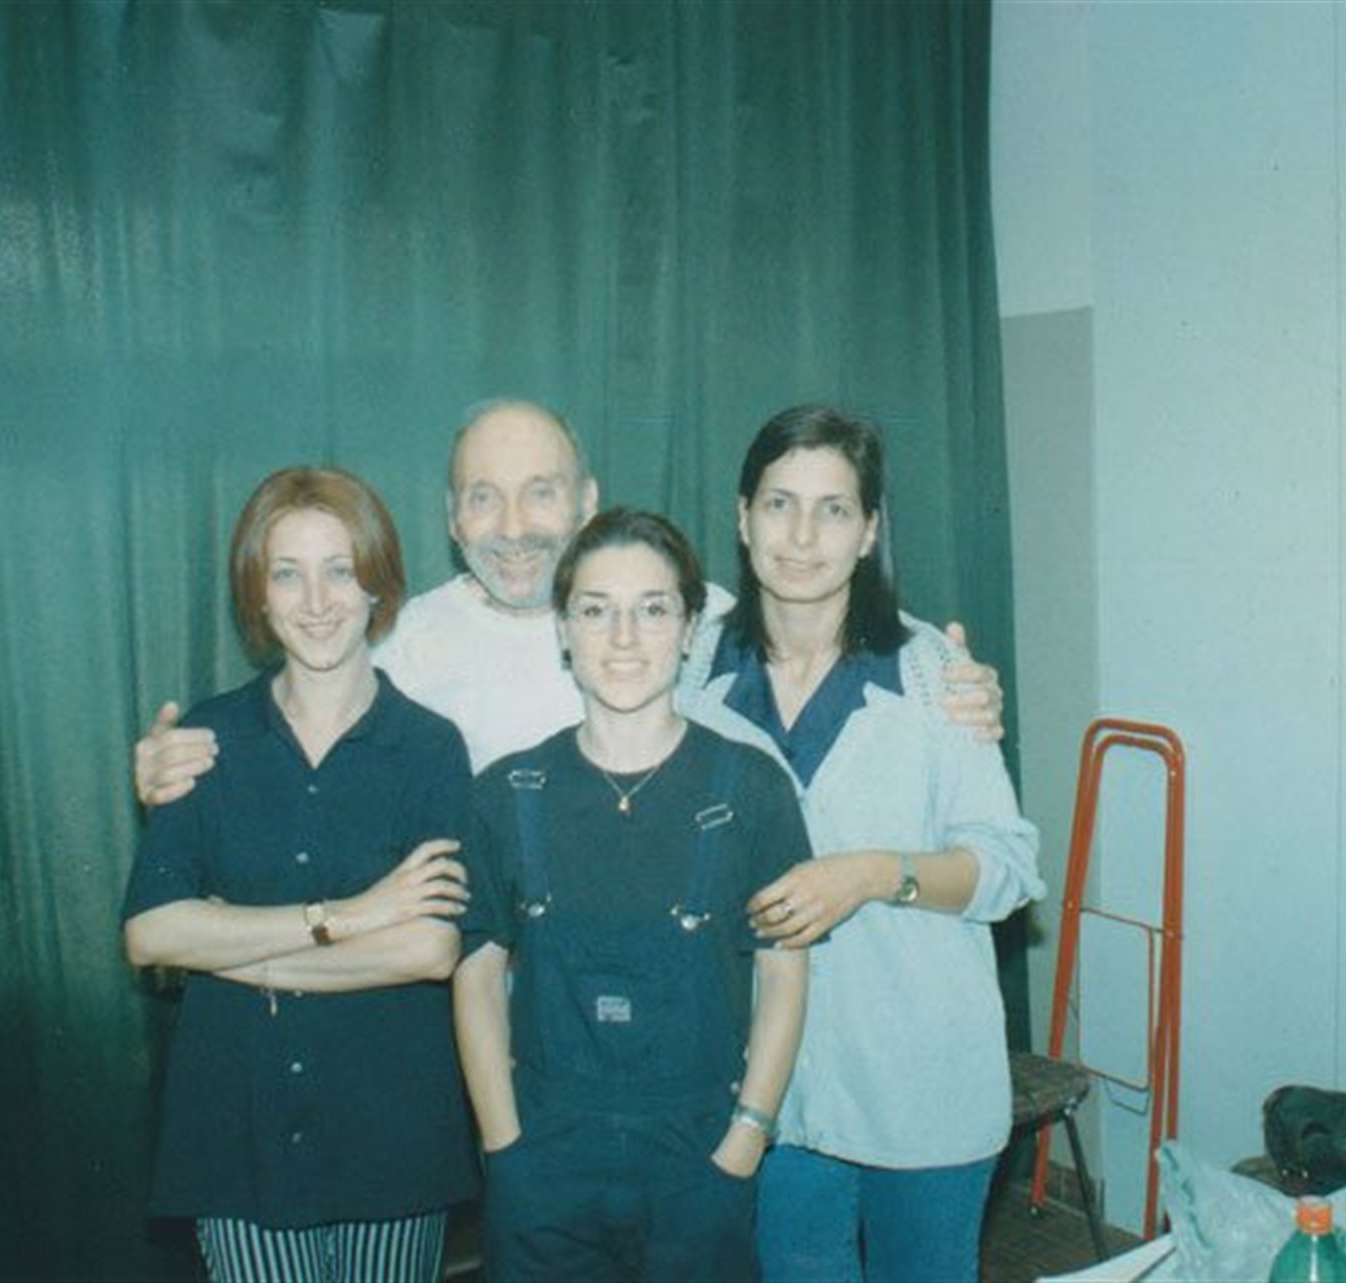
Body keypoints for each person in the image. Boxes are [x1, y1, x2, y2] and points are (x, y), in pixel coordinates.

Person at [133, 399, 1005, 796]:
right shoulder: (404, 644)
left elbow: (810, 614)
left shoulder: (688, 617)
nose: (514, 526)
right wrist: (185, 764)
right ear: (451, 518)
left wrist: (949, 676)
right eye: (484, 497)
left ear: (587, 501)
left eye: (541, 493)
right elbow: (298, 723)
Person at [675, 405, 1048, 1283]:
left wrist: (876, 873)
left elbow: (1008, 868)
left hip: (921, 1082)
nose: (803, 536)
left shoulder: (933, 672)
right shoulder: (693, 670)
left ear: (869, 530)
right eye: (780, 504)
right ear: (742, 516)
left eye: (834, 509)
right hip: (773, 1090)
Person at [120, 467, 479, 1283]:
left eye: (339, 570)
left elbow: (427, 948)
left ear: (377, 583)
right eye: (288, 573)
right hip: (236, 1132)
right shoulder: (203, 740)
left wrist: (234, 950)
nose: (316, 601)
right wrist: (353, 913)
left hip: (393, 1135)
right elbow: (151, 932)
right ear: (259, 592)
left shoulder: (429, 748)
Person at [451, 508, 811, 1283]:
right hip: (543, 1168)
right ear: (563, 630)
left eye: (652, 609)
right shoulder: (505, 793)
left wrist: (746, 1138)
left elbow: (784, 974)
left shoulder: (753, 789)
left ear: (688, 629)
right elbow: (476, 976)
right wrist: (504, 1146)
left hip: (700, 1164)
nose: (624, 637)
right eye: (596, 610)